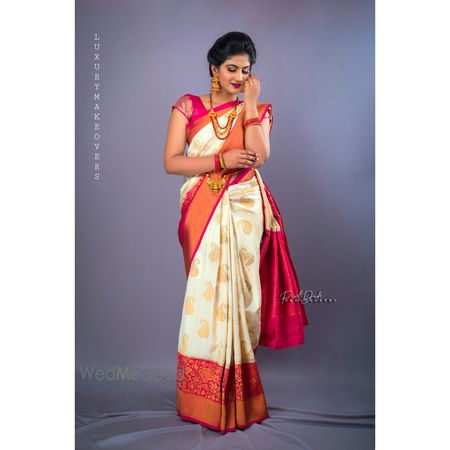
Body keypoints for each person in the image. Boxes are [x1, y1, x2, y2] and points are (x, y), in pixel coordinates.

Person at [163, 31, 309, 434]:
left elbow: (260, 156)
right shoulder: (188, 106)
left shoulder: (256, 108)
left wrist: (250, 104)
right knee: (206, 296)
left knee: (242, 299)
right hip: (203, 210)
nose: (239, 77)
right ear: (214, 67)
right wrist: (219, 160)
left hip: (244, 209)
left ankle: (239, 397)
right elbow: (171, 162)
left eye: (246, 71)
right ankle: (203, 396)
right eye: (232, 69)